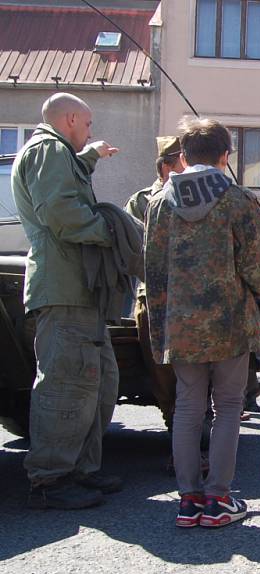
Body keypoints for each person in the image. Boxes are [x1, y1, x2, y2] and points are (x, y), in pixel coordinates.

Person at [144, 117, 260, 528]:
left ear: (182, 157)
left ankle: (187, 501)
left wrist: (161, 326)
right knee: (228, 408)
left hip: (181, 326)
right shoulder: (238, 199)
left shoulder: (160, 203)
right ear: (226, 156)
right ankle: (219, 498)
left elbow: (152, 271)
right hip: (230, 325)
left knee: (187, 408)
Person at [11, 92, 122, 509]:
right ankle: (51, 479)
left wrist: (91, 155)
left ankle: (79, 470)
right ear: (71, 118)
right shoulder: (47, 150)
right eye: (88, 125)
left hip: (78, 290)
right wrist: (110, 232)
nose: (90, 132)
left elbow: (65, 185)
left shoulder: (60, 154)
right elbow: (62, 212)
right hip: (63, 289)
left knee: (98, 383)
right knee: (66, 385)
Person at [124, 136, 185, 430]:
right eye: (180, 162)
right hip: (154, 295)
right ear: (165, 167)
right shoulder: (141, 201)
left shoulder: (195, 195)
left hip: (190, 297)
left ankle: (197, 426)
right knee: (161, 366)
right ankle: (173, 420)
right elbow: (134, 249)